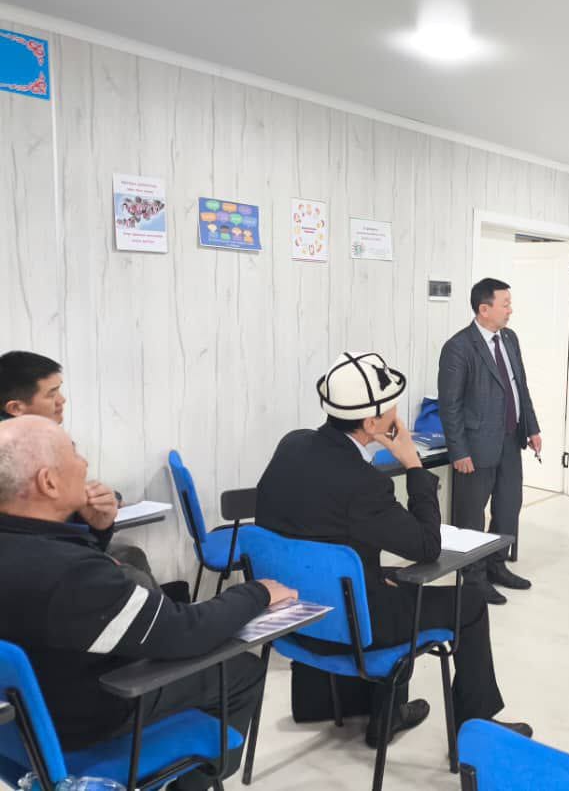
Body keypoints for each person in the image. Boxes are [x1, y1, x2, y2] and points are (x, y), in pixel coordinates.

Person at [0, 416, 297, 790]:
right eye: (73, 454)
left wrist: (97, 531)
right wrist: (257, 592)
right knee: (241, 670)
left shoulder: (30, 552)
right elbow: (186, 632)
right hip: (82, 724)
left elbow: (59, 586)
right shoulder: (72, 574)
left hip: (17, 729)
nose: (85, 464)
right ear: (48, 482)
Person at [256, 351, 531, 740]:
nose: (397, 414)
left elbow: (315, 535)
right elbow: (427, 545)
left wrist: (371, 574)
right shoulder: (363, 483)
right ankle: (477, 727)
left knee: (386, 578)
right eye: (391, 407)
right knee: (469, 603)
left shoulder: (292, 445)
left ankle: (354, 707)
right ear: (371, 423)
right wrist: (414, 466)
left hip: (292, 617)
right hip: (348, 624)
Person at [0, 350, 158, 590]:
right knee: (133, 577)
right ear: (16, 407)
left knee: (132, 555)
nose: (62, 400)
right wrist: (93, 546)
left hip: (57, 549)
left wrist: (99, 515)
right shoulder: (17, 454)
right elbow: (39, 541)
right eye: (51, 393)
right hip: (39, 566)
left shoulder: (36, 442)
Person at [437, 278, 540, 605]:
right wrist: (459, 451)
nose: (511, 310)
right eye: (505, 304)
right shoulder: (459, 347)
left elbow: (520, 387)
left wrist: (532, 428)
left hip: (511, 439)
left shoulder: (509, 339)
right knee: (471, 516)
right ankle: (473, 578)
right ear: (484, 309)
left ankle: (497, 565)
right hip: (476, 446)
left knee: (509, 507)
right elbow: (450, 405)